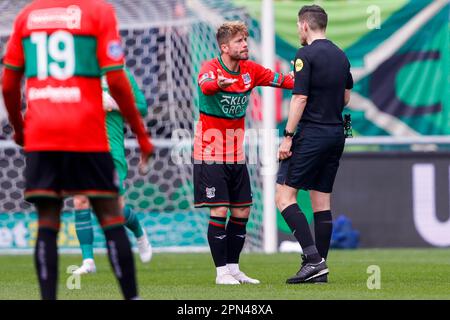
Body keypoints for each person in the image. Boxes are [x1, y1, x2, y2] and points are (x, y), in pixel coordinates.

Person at [1, 0, 153, 299]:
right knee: (109, 217)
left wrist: (20, 129)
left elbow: (8, 84)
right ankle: (122, 288)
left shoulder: (26, 16)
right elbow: (118, 80)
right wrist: (142, 136)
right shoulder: (98, 12)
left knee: (47, 224)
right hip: (86, 134)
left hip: (43, 134)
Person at [194, 21, 294, 285]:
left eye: (246, 40)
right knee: (219, 210)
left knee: (242, 212)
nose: (245, 45)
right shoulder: (210, 69)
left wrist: (310, 81)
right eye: (239, 41)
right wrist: (219, 83)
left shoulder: (251, 71)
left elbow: (283, 80)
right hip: (210, 152)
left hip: (236, 153)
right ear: (225, 47)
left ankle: (233, 268)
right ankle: (220, 273)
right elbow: (205, 85)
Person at [275, 5, 353, 284]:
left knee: (283, 198)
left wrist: (287, 136)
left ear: (305, 26)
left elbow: (299, 99)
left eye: (298, 26)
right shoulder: (341, 56)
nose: (298, 30)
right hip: (337, 133)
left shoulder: (304, 55)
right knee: (321, 203)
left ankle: (313, 260)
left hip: (312, 134)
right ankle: (319, 270)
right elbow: (346, 98)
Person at [73, 67, 152, 275]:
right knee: (81, 200)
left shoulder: (120, 74)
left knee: (114, 208)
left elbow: (142, 108)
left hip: (110, 150)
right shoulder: (76, 72)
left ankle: (138, 231)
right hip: (81, 148)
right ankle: (88, 260)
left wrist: (114, 103)